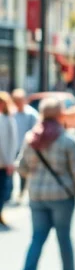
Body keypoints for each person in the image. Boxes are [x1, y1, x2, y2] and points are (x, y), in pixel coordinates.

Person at [12, 98, 75, 270]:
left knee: (37, 237)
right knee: (64, 237)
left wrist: (34, 177)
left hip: (36, 195)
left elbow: (21, 167)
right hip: (61, 196)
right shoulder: (66, 141)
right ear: (61, 115)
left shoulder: (31, 139)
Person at [11, 88, 38, 202]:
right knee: (11, 171)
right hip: (13, 147)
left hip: (26, 148)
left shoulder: (31, 114)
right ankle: (10, 192)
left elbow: (36, 131)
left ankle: (22, 191)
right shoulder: (12, 114)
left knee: (23, 171)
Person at [0, 92, 20, 226]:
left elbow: (12, 142)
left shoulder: (7, 118)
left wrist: (9, 161)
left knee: (4, 191)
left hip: (4, 163)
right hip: (4, 162)